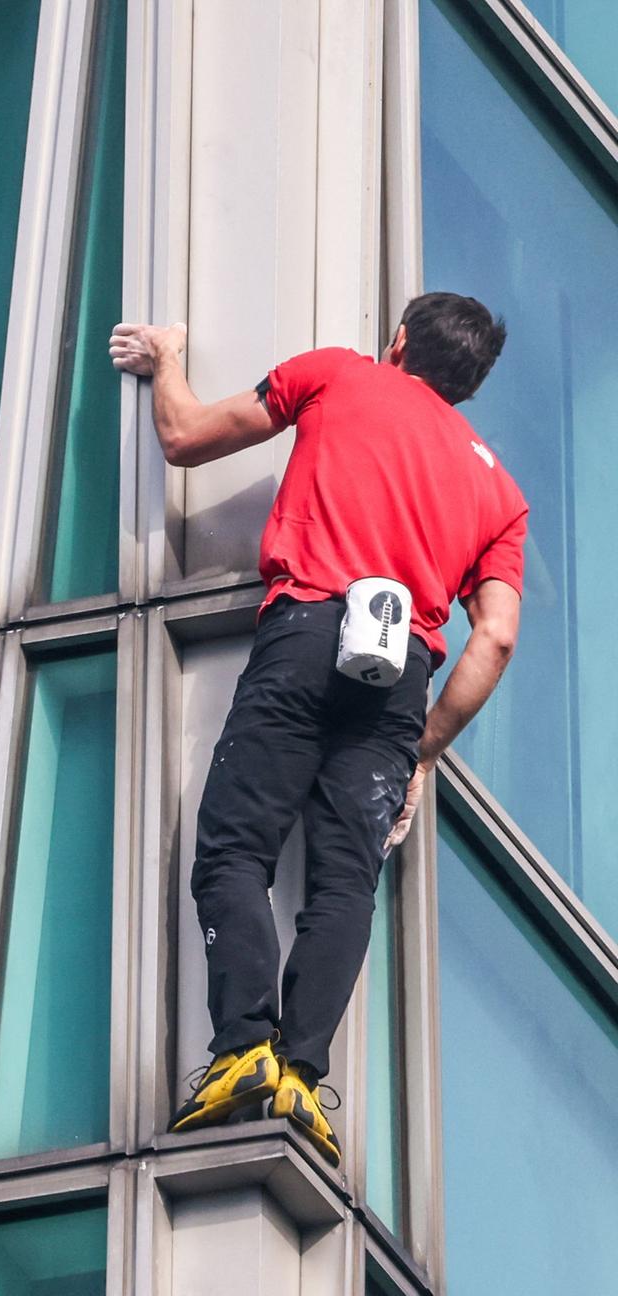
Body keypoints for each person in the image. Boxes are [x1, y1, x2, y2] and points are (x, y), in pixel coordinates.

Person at [108, 293, 527, 1168]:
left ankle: (243, 1051)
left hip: (306, 631)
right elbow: (494, 637)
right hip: (400, 679)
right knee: (343, 885)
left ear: (399, 341)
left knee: (234, 850)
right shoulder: (501, 493)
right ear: (471, 386)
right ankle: (302, 1076)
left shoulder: (338, 373)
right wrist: (421, 751)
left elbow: (184, 437)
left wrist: (168, 357)